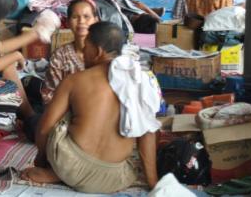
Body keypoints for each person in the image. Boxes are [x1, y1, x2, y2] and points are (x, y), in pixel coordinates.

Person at [22, 22, 158, 194]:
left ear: (98, 51)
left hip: (68, 167)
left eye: (86, 47)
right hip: (115, 178)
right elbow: (148, 132)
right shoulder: (139, 81)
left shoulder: (74, 80)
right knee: (139, 124)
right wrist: (153, 182)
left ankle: (56, 174)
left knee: (59, 115)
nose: (83, 54)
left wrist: (41, 161)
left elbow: (44, 129)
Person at [41, 0, 99, 104]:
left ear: (96, 20)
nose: (81, 21)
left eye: (86, 17)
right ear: (67, 22)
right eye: (75, 17)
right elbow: (49, 94)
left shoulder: (103, 53)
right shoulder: (60, 55)